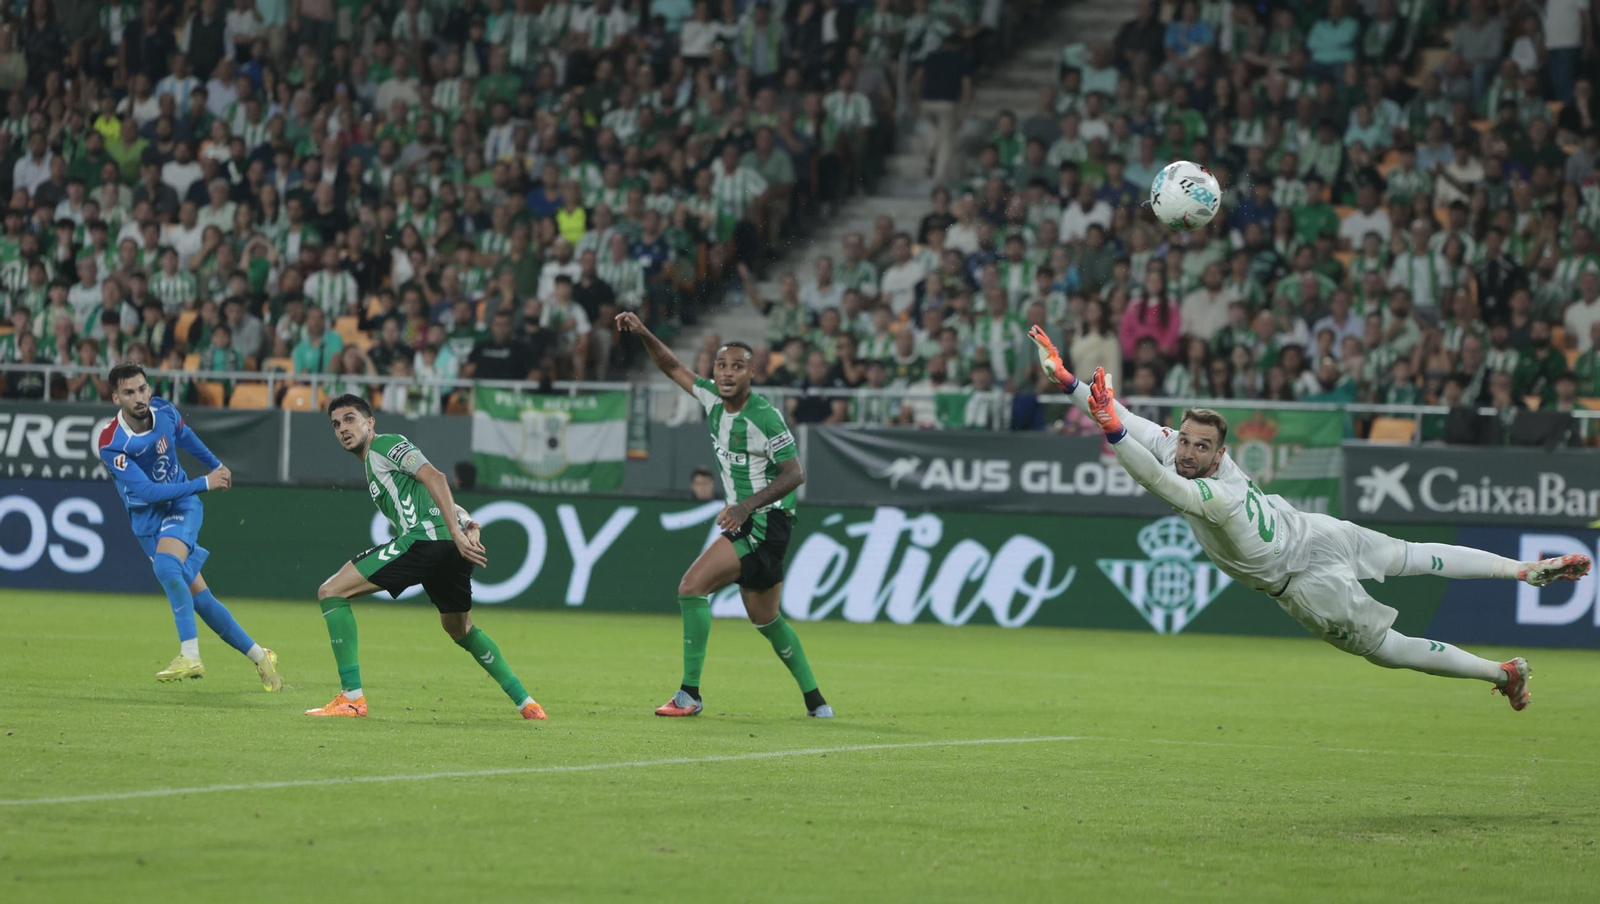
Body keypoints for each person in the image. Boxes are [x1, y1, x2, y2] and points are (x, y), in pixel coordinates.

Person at [1029, 327, 1591, 712]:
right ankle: (1523, 571)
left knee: (1389, 648)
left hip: (1306, 582)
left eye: (1201, 447)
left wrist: (1109, 429)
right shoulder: (1190, 452)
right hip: (1312, 529)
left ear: (1219, 456)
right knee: (1412, 555)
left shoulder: (1213, 497)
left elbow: (1155, 478)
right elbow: (1125, 416)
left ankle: (1504, 670)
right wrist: (1070, 383)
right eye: (1185, 441)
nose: (1187, 452)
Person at [617, 311, 833, 719]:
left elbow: (795, 472)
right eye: (721, 365)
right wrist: (645, 331)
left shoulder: (764, 417)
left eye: (738, 366)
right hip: (751, 520)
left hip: (767, 521)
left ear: (752, 373)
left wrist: (744, 505)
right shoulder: (711, 399)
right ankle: (816, 701)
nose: (727, 372)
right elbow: (670, 365)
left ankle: (689, 695)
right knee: (767, 621)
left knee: (691, 587)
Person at [307, 394, 546, 720]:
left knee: (331, 591)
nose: (343, 429)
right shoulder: (373, 463)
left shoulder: (384, 446)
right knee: (460, 629)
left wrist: (457, 532)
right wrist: (467, 523)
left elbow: (435, 476)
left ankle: (352, 698)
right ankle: (527, 703)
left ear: (370, 422)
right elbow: (431, 492)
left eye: (350, 419)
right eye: (336, 424)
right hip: (447, 546)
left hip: (426, 541)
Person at [95, 363, 281, 690]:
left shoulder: (164, 410)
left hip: (183, 504)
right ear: (115, 398)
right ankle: (260, 656)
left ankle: (190, 654)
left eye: (142, 389)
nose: (138, 397)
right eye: (128, 392)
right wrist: (204, 482)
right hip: (147, 521)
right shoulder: (113, 444)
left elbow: (186, 436)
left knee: (168, 567)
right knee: (202, 600)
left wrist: (216, 466)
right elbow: (148, 493)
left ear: (149, 389)